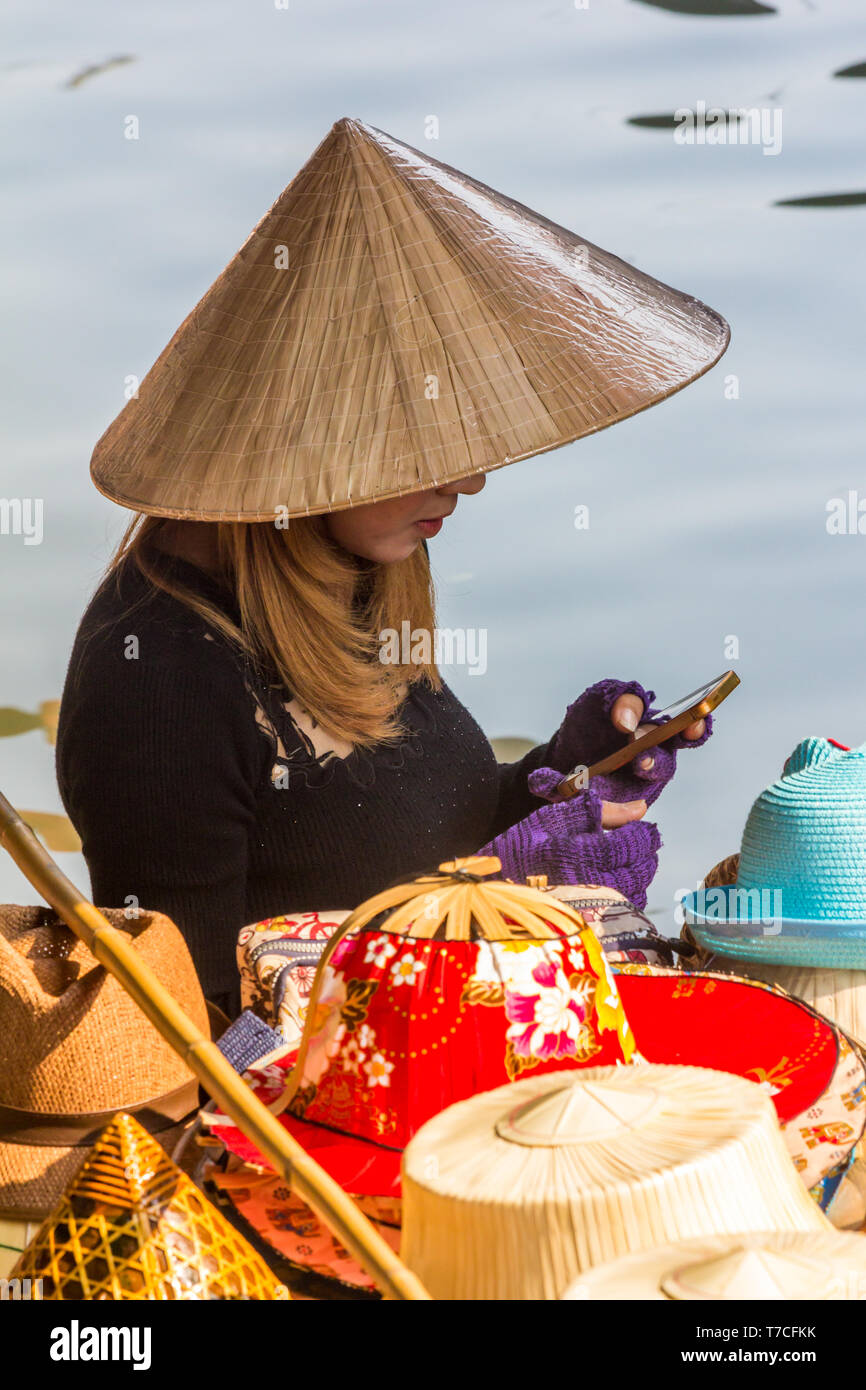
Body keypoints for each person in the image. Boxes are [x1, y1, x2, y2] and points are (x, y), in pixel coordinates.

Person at [57, 119, 726, 1015]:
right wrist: (488, 889)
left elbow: (371, 830)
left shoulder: (342, 565)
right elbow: (190, 1040)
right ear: (316, 448)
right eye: (427, 449)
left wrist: (560, 777)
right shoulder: (159, 677)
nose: (473, 480)